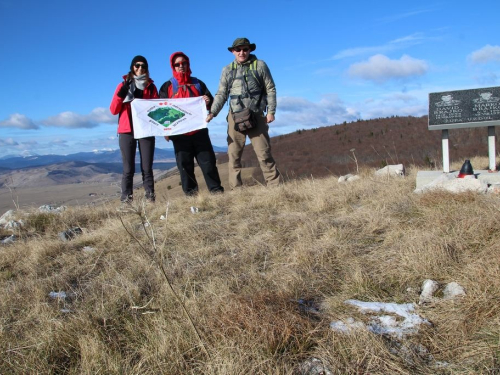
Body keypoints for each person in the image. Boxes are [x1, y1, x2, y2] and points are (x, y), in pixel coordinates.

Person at [206, 37, 281, 189]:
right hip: (235, 117)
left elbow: (270, 88)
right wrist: (212, 112)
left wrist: (271, 111)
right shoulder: (227, 70)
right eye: (238, 50)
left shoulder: (260, 65)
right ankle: (236, 191)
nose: (242, 52)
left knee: (264, 153)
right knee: (233, 156)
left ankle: (275, 188)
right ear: (233, 51)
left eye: (245, 49)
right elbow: (221, 94)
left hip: (257, 115)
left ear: (250, 50)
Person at [159, 52, 224, 196]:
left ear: (188, 64)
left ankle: (217, 193)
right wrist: (166, 131)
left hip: (199, 132)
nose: (181, 66)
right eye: (177, 64)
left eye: (184, 63)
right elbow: (162, 111)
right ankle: (192, 198)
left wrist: (207, 102)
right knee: (185, 168)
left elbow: (211, 105)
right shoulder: (167, 87)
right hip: (179, 134)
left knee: (208, 164)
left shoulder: (198, 83)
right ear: (173, 67)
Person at [110, 55, 159, 204]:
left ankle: (150, 199)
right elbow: (113, 110)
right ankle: (126, 201)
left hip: (146, 129)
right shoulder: (123, 85)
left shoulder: (151, 87)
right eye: (137, 66)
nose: (140, 68)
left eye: (143, 66)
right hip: (127, 130)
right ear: (132, 67)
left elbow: (157, 108)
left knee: (147, 168)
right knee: (128, 169)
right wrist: (122, 93)